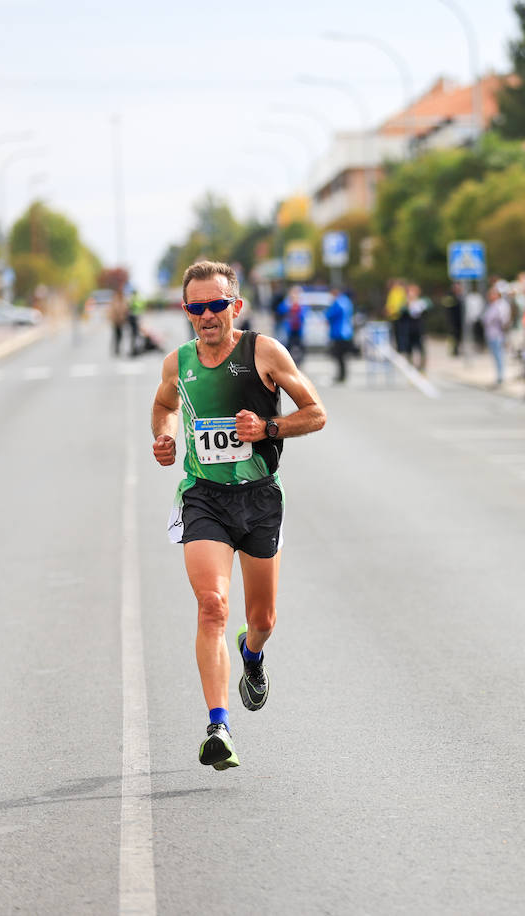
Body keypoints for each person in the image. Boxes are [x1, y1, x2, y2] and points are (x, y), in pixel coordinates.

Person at [151, 260, 327, 771]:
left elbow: (315, 413)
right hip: (204, 495)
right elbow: (163, 404)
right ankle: (218, 726)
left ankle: (252, 655)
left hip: (259, 498)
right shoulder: (177, 362)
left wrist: (268, 428)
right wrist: (163, 438)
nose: (208, 315)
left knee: (262, 619)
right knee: (211, 605)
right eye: (197, 307)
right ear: (186, 311)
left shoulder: (264, 352)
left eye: (217, 305)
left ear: (236, 306)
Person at [482, 284, 511, 386]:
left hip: (497, 334)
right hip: (491, 334)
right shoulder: (492, 305)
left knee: (499, 356)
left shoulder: (501, 305)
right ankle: (498, 376)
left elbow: (504, 321)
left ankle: (500, 377)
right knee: (495, 356)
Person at [324, 287, 354, 383]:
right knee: (343, 356)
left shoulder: (338, 302)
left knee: (339, 356)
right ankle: (343, 375)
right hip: (347, 332)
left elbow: (330, 315)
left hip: (339, 333)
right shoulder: (347, 301)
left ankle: (341, 376)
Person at [282, 285, 306, 365]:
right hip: (290, 329)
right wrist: (289, 303)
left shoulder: (301, 304)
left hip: (298, 329)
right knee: (289, 346)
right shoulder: (288, 303)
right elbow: (281, 310)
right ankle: (289, 361)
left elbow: (303, 315)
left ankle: (299, 361)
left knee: (300, 346)